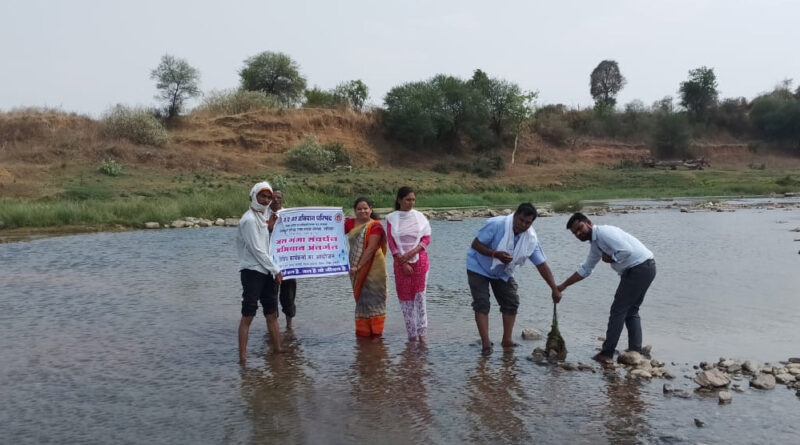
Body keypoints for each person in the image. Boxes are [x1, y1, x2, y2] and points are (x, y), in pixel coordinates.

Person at [557, 212, 656, 364]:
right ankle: (635, 351)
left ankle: (607, 353)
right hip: (645, 267)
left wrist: (613, 258)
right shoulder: (596, 245)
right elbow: (586, 269)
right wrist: (563, 286)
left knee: (618, 310)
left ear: (588, 223)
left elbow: (626, 250)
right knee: (631, 310)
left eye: (580, 228)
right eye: (575, 232)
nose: (578, 233)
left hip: (639, 268)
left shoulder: (604, 232)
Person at [466, 203, 561, 356]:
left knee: (511, 302)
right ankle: (485, 343)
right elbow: (475, 244)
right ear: (515, 215)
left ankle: (507, 340)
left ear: (531, 223)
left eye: (527, 223)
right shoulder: (496, 224)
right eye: (520, 220)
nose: (522, 225)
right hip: (478, 265)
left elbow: (542, 265)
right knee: (482, 303)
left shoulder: (530, 239)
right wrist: (495, 254)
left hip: (502, 271)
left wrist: (554, 288)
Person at [236, 181, 283, 363]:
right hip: (252, 271)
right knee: (248, 314)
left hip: (267, 271)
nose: (265, 200)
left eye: (268, 197)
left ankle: (278, 351)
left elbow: (266, 241)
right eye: (262, 196)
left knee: (272, 314)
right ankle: (242, 358)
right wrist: (276, 270)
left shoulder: (265, 217)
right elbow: (257, 249)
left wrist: (270, 227)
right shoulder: (248, 220)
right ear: (253, 196)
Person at [385, 186, 431, 342]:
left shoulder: (420, 217)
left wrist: (412, 253)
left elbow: (426, 239)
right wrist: (402, 261)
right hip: (400, 264)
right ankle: (411, 335)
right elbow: (391, 243)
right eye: (407, 199)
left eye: (413, 200)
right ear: (399, 200)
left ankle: (423, 334)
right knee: (405, 300)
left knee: (420, 298)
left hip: (420, 261)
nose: (411, 203)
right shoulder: (392, 218)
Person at [345, 197, 388, 338]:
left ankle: (376, 333)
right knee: (362, 299)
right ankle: (363, 332)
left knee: (374, 298)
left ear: (371, 209)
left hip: (374, 267)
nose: (362, 211)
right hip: (355, 266)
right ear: (355, 210)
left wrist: (358, 266)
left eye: (365, 208)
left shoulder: (375, 226)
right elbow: (330, 233)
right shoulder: (350, 224)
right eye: (359, 209)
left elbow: (370, 249)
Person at [267, 190, 297, 330]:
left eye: (279, 197)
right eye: (273, 197)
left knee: (288, 296)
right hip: (268, 263)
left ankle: (289, 326)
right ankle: (274, 327)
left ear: (282, 200)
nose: (276, 200)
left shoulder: (290, 216)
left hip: (288, 263)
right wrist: (269, 228)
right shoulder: (262, 215)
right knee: (271, 296)